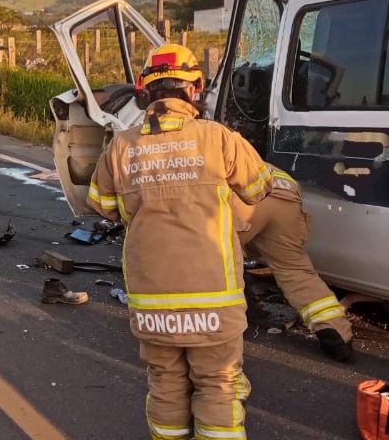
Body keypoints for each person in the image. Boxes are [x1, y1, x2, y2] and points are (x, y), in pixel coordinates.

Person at [87, 43, 274, 440]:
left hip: (153, 301)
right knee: (218, 385)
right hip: (215, 299)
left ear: (145, 90)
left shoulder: (121, 145)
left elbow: (102, 206)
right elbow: (258, 188)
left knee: (166, 386)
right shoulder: (219, 138)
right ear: (195, 89)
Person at [232, 165, 353, 361]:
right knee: (294, 269)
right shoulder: (230, 142)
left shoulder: (189, 145)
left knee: (208, 261)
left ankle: (210, 335)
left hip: (245, 198)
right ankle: (336, 334)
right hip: (284, 190)